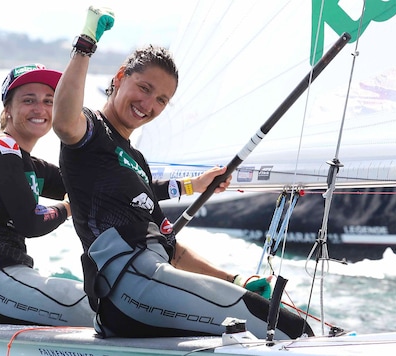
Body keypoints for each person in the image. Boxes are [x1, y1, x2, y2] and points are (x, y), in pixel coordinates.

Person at [52, 7, 314, 339]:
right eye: (144, 88)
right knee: (289, 330)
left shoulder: (136, 160)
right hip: (127, 289)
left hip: (152, 283)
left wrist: (234, 279)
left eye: (162, 99)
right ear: (120, 78)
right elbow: (62, 121)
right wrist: (86, 42)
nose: (149, 104)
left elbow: (173, 249)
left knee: (272, 323)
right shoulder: (90, 131)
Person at [0, 63, 94, 326]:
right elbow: (29, 222)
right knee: (96, 307)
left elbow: (92, 184)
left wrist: (187, 186)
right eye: (29, 100)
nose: (40, 109)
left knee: (107, 298)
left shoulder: (28, 163)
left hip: (13, 278)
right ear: (8, 109)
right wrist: (68, 207)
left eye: (48, 101)